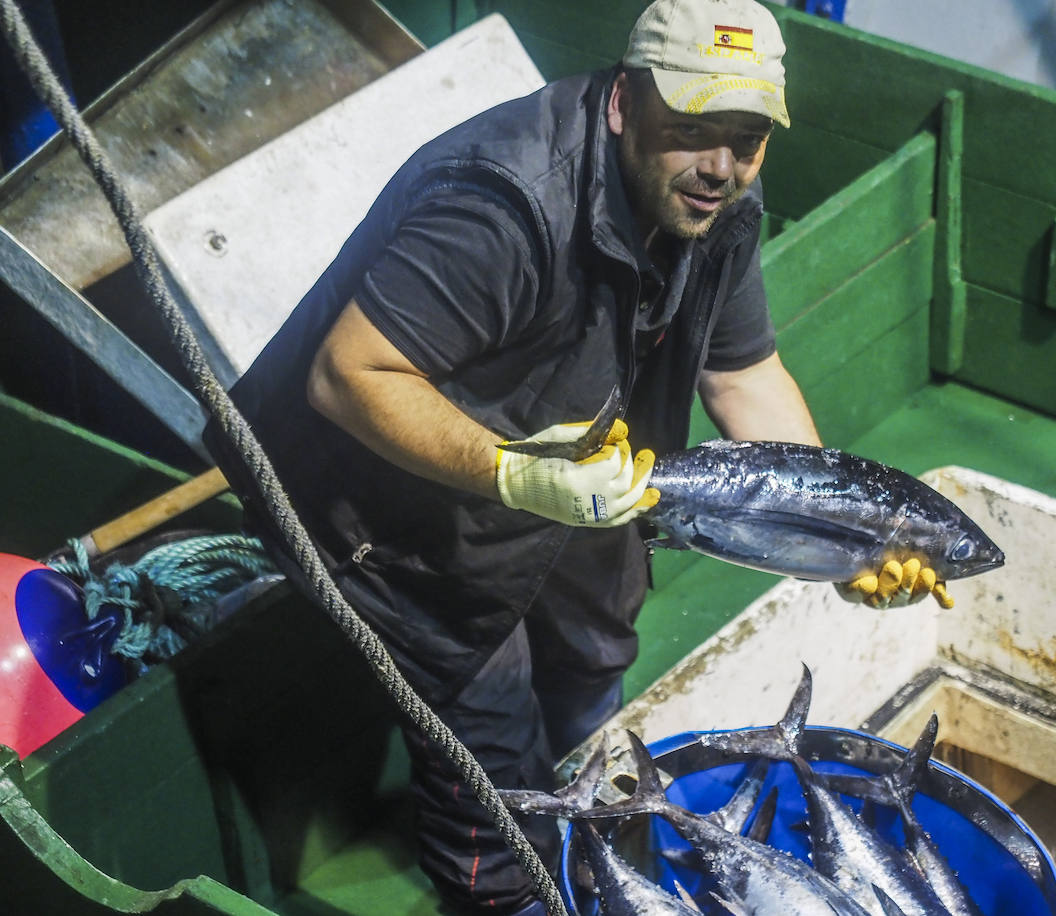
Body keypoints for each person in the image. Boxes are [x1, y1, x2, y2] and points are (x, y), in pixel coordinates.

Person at [208, 0, 917, 912]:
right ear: (624, 102)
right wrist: (510, 472)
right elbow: (347, 375)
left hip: (581, 483)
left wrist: (841, 535)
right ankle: (510, 892)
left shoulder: (721, 200)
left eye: (747, 140)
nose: (720, 167)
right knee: (494, 765)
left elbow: (743, 374)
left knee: (592, 690)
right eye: (692, 129)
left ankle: (592, 867)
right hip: (401, 508)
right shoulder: (506, 202)